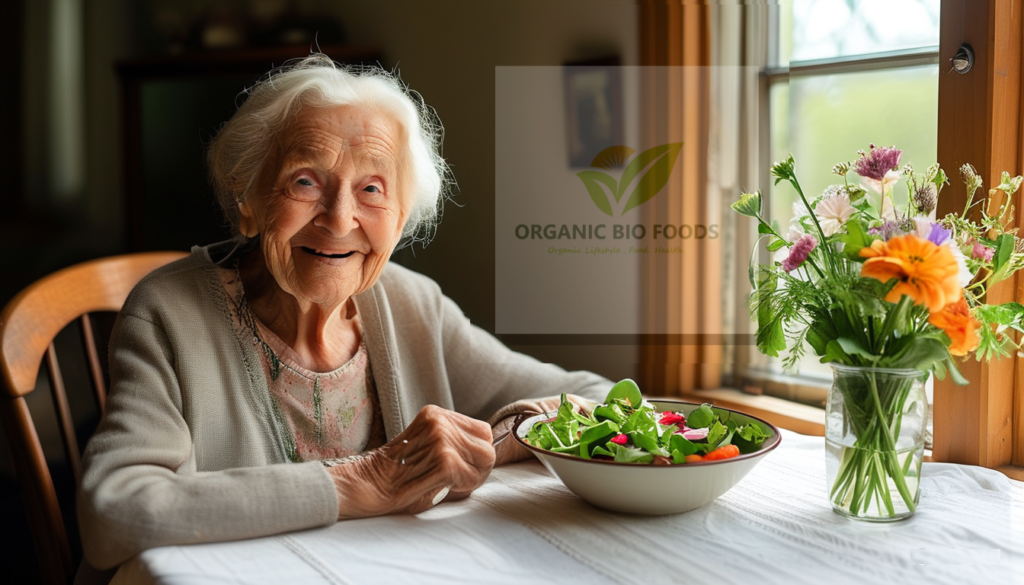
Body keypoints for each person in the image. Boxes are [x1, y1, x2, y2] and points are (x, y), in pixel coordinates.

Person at [77, 54, 610, 575]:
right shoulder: (168, 314)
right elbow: (113, 512)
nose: (339, 220)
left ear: (401, 219)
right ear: (249, 199)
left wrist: (499, 438)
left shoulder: (411, 304)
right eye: (305, 181)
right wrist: (370, 479)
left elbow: (596, 397)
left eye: (371, 189)